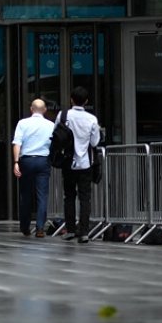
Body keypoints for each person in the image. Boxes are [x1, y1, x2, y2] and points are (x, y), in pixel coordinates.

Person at [61, 86, 101, 244]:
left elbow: (57, 135)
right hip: (85, 163)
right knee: (85, 198)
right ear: (86, 101)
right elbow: (95, 141)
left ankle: (70, 229)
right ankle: (84, 232)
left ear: (71, 99)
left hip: (68, 162)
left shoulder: (63, 115)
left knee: (69, 196)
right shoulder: (91, 119)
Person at [11, 98, 55, 238]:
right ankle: (40, 228)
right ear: (44, 110)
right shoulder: (51, 125)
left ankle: (25, 226)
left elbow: (17, 143)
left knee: (26, 194)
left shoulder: (22, 123)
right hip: (43, 160)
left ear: (31, 109)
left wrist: (16, 161)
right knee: (42, 195)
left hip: (27, 160)